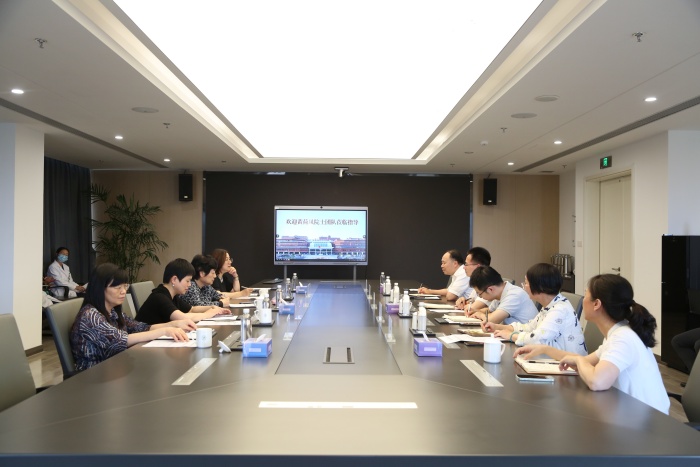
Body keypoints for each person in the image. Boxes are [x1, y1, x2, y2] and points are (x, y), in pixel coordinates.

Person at [514, 274, 670, 414]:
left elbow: (596, 382)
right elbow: (587, 361)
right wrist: (544, 349)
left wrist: (578, 360)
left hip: (649, 422)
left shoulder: (622, 338)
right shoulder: (617, 333)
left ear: (597, 304)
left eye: (586, 294)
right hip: (632, 413)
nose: (584, 300)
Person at [70, 263, 196, 371]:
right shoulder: (90, 315)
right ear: (100, 288)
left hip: (116, 368)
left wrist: (173, 325)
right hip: (94, 376)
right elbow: (120, 339)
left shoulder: (112, 311)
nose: (123, 291)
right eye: (118, 287)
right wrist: (164, 331)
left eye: (125, 286)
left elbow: (139, 327)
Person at [482, 263, 586, 354]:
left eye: (526, 283)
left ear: (539, 286)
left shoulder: (559, 310)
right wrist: (498, 327)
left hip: (568, 365)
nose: (524, 286)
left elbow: (536, 339)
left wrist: (510, 335)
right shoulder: (550, 305)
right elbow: (530, 327)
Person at [135, 258, 230, 325]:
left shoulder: (173, 295)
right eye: (187, 281)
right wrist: (209, 313)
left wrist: (213, 307)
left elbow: (192, 309)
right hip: (141, 343)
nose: (189, 284)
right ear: (174, 279)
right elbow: (184, 317)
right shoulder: (159, 297)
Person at [468, 266, 538, 324]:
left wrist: (480, 315)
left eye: (479, 294)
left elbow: (492, 320)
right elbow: (490, 311)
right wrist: (475, 311)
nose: (480, 297)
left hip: (524, 334)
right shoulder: (500, 292)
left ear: (490, 289)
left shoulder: (514, 295)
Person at [455, 246, 491, 312]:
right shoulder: (477, 281)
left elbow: (472, 308)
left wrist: (466, 305)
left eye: (466, 264)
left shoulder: (488, 283)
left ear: (478, 267)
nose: (464, 267)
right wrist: (463, 300)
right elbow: (471, 300)